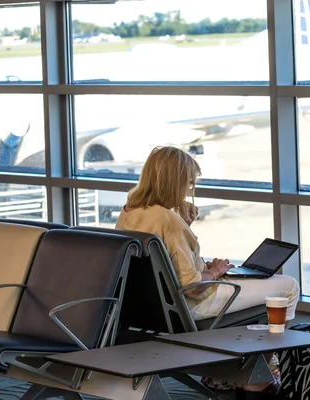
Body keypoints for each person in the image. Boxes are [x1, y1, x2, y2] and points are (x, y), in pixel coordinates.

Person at [115, 145, 300, 396]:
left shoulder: (129, 211)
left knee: (264, 285)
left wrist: (186, 226)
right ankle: (259, 376)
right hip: (191, 305)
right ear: (175, 182)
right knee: (287, 286)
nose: (190, 190)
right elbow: (191, 286)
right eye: (188, 183)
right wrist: (214, 273)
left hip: (149, 310)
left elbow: (165, 267)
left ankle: (228, 372)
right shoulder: (168, 221)